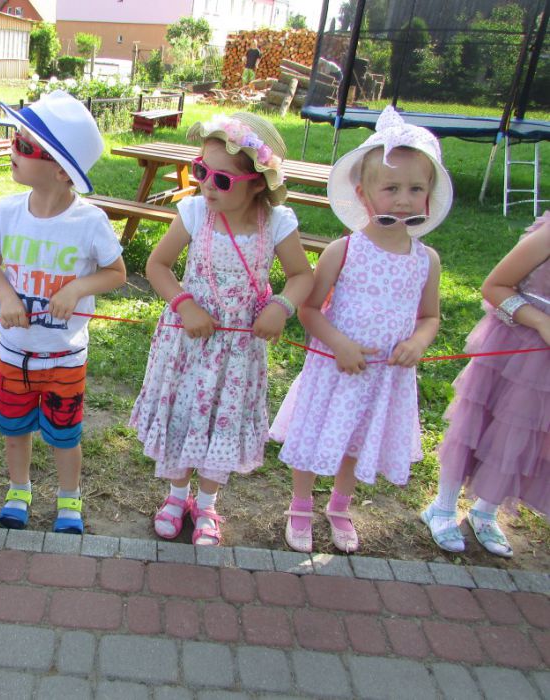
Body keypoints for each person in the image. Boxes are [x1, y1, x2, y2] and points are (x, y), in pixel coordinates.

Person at [270, 106, 451, 554]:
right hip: (336, 369)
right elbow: (310, 310)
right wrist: (340, 344)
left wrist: (418, 342)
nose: (404, 199)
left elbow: (429, 317)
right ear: (363, 193)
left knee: (356, 442)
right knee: (313, 435)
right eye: (391, 188)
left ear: (428, 195)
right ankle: (300, 505)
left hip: (383, 378)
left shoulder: (426, 260)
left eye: (415, 189)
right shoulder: (344, 250)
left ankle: (339, 506)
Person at [130, 112, 313, 546]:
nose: (208, 185)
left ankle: (208, 503)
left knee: (221, 421)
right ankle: (176, 496)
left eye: (223, 179)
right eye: (201, 171)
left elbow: (301, 275)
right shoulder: (195, 212)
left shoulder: (278, 223)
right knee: (182, 414)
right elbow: (157, 266)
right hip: (188, 343)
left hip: (238, 354)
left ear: (257, 183)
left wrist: (281, 306)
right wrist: (185, 305)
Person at [0, 90, 126, 534]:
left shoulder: (90, 222)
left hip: (64, 357)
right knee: (14, 430)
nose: (13, 148)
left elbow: (116, 272)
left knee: (65, 435)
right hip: (14, 353)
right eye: (15, 139)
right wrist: (6, 297)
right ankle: (18, 491)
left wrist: (78, 288)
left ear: (61, 170)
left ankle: (69, 500)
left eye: (25, 145)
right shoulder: (6, 213)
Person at [423, 215, 549, 557]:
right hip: (516, 347)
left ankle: (485, 511)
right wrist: (541, 322)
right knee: (477, 425)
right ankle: (442, 507)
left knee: (523, 436)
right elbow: (495, 287)